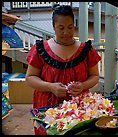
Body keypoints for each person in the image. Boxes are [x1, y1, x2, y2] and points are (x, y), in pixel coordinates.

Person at [25, 4, 101, 135]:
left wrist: (82, 85)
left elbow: (95, 76)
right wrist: (50, 87)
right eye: (61, 28)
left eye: (70, 27)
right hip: (47, 110)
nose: (66, 32)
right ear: (54, 27)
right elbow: (30, 78)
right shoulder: (40, 49)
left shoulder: (86, 50)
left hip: (80, 110)